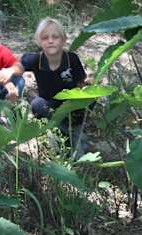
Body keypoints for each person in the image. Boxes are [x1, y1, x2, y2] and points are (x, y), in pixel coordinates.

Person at [20, 18, 92, 153]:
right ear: (39, 41)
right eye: (45, 37)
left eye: (55, 37)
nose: (50, 41)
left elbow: (81, 82)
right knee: (37, 104)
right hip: (50, 106)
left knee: (91, 97)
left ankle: (74, 128)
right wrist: (7, 73)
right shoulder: (36, 60)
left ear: (63, 39)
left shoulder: (71, 59)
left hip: (71, 104)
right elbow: (17, 65)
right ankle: (64, 132)